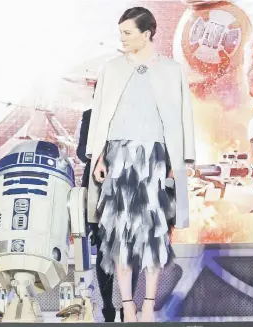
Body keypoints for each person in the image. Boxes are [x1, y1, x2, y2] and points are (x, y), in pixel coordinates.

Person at [85, 7, 195, 323]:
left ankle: (148, 304)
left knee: (154, 235)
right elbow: (100, 118)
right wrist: (100, 156)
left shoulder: (171, 70)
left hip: (157, 160)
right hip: (119, 159)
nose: (122, 38)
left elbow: (182, 118)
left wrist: (180, 161)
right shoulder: (111, 69)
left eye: (128, 32)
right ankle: (127, 306)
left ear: (147, 34)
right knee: (119, 237)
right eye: (121, 32)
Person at [76, 83, 139, 323]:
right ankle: (107, 308)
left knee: (129, 250)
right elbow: (83, 152)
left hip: (129, 189)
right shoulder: (90, 116)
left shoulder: (133, 118)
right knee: (103, 251)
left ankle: (128, 305)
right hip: (98, 188)